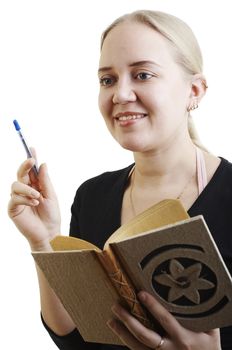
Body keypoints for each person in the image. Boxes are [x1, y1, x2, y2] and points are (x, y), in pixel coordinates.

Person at [8, 9, 232, 350]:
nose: (121, 94)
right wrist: (45, 242)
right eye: (107, 80)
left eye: (142, 75)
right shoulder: (92, 196)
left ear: (195, 90)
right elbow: (75, 337)